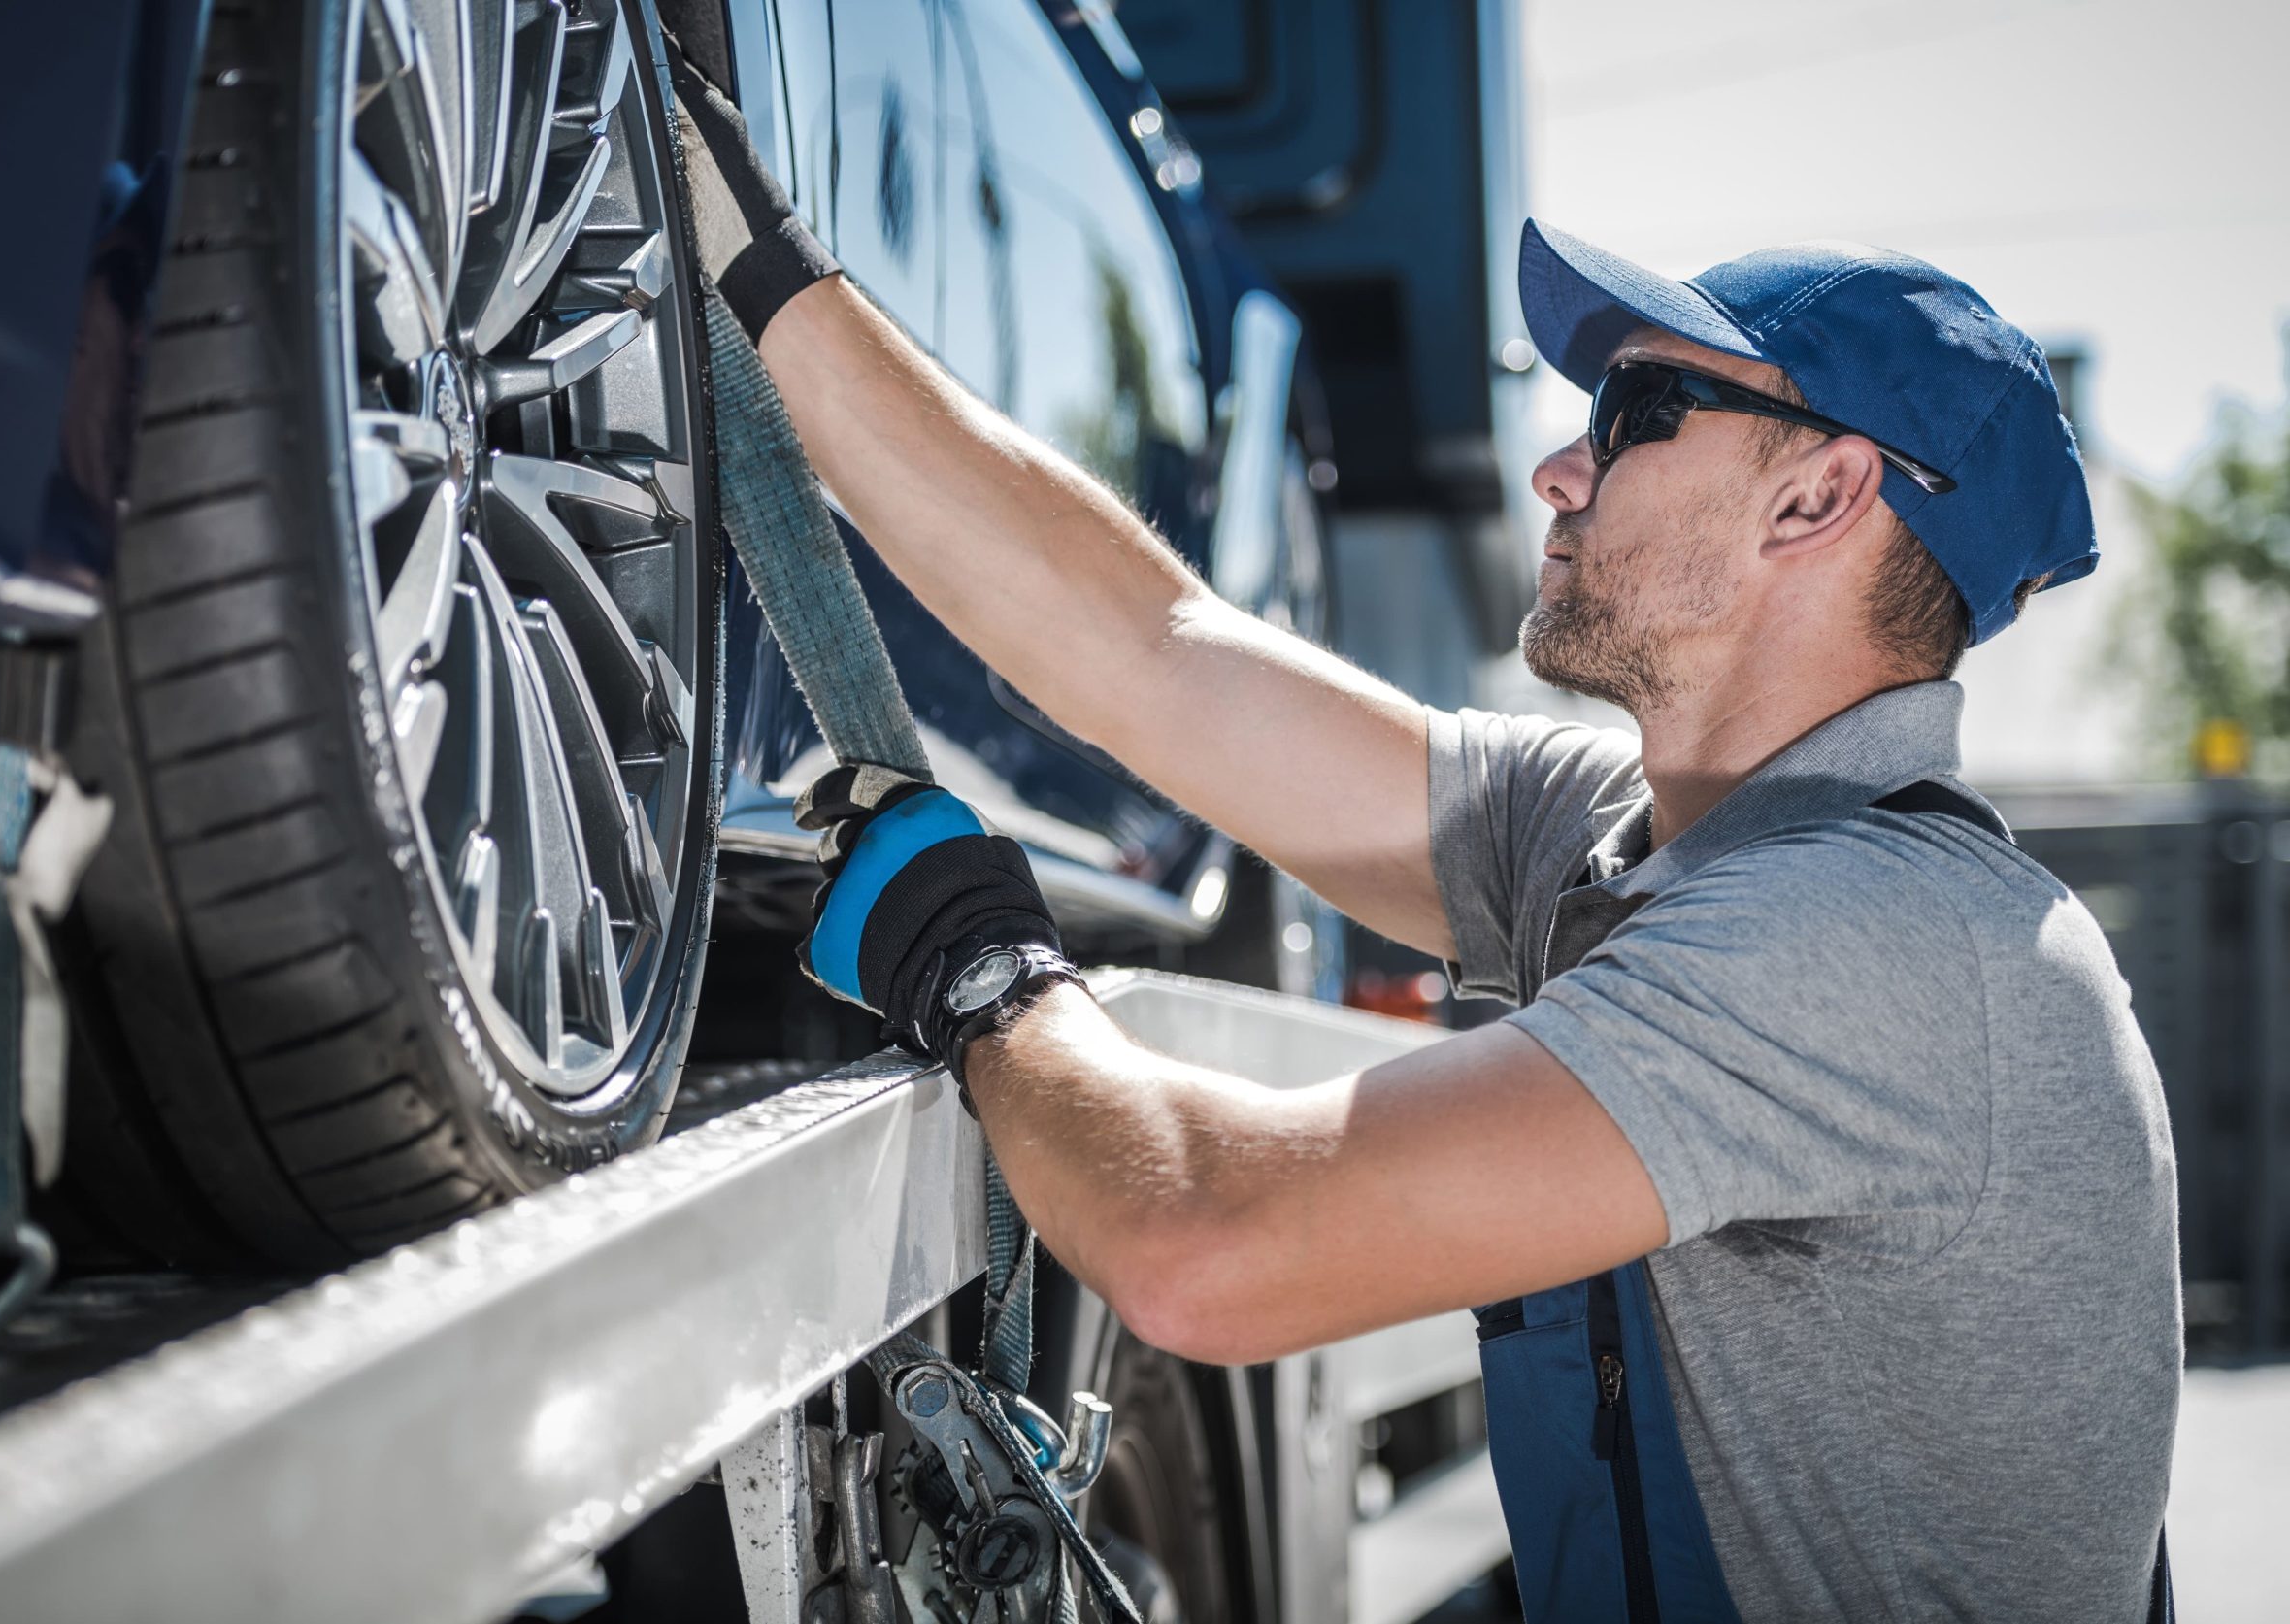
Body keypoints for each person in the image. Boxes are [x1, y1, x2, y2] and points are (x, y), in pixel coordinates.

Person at [673, 53, 2179, 1624]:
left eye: (1641, 409)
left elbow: (1210, 1239)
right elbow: (1156, 651)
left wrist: (984, 975)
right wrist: (774, 284)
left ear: (1819, 500)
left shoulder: (1880, 949)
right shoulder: (1651, 845)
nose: (1560, 462)